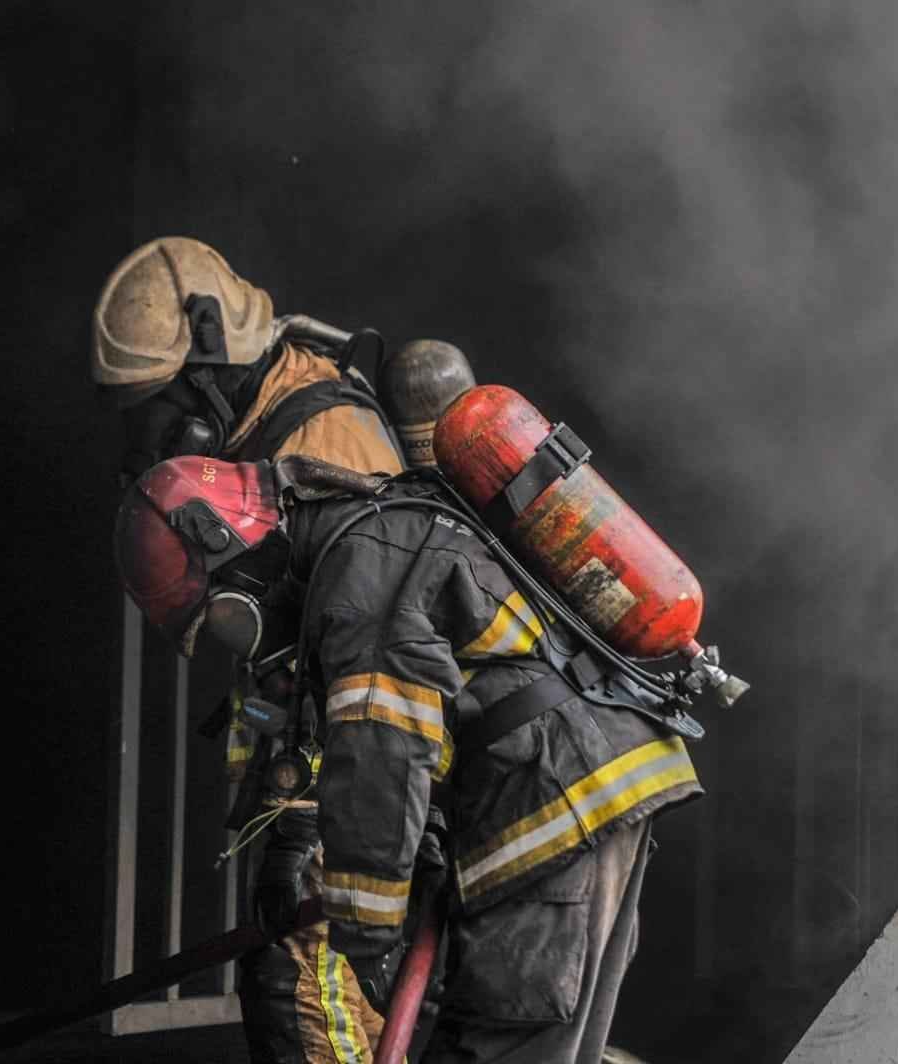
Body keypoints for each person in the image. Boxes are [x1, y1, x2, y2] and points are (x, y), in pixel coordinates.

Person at [113, 454, 704, 1064]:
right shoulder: (376, 533)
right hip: (595, 782)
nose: (246, 644)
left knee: (499, 1041)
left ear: (236, 543)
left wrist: (367, 941)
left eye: (227, 617)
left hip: (556, 800)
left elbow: (382, 759)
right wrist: (425, 856)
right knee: (552, 1047)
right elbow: (449, 719)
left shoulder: (358, 579)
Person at [91, 236, 404, 1063]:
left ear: (206, 361)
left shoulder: (324, 444)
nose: (148, 440)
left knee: (309, 1000)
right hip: (336, 792)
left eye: (153, 407)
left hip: (360, 800)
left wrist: (305, 821)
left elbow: (362, 655)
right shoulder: (263, 432)